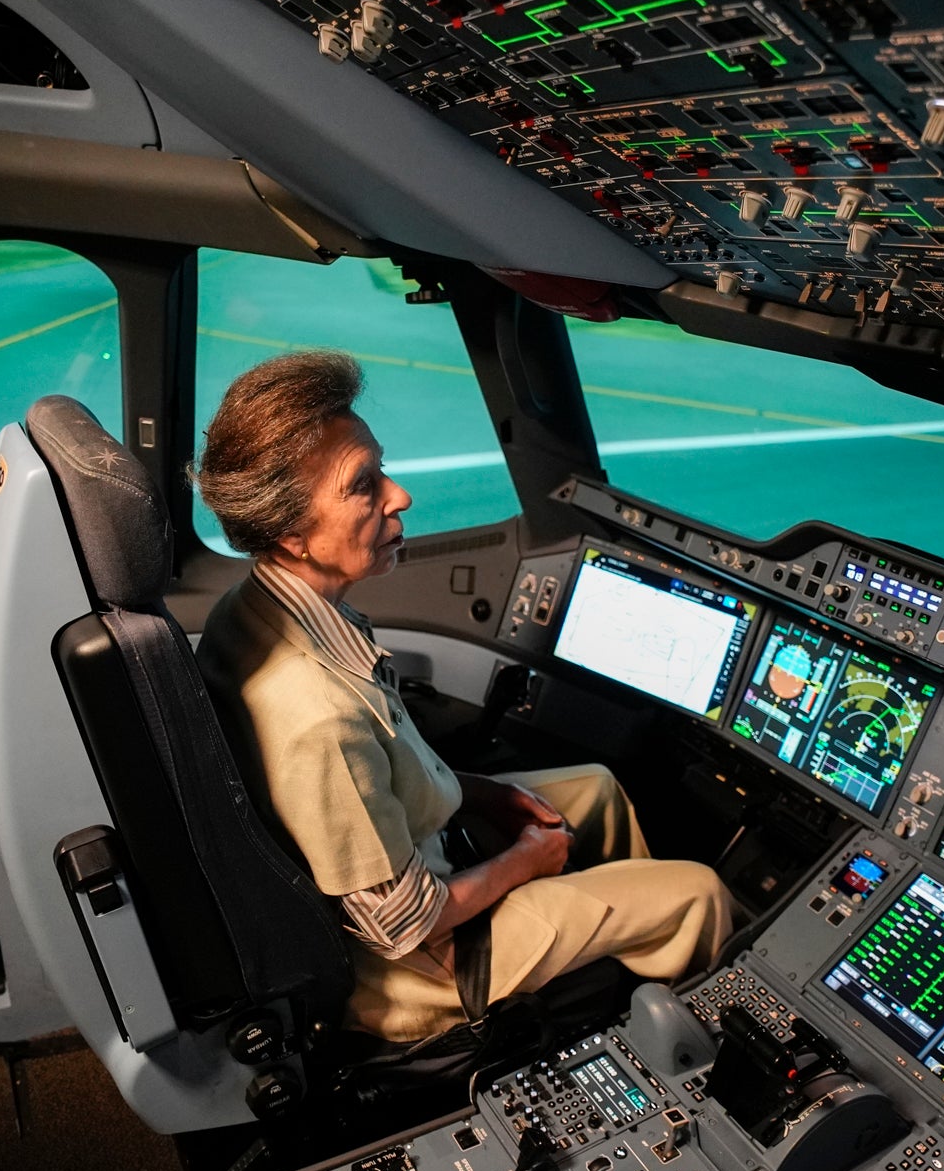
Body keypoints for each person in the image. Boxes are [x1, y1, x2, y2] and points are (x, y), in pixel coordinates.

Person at [190, 350, 734, 1043]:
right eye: (364, 486)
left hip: (423, 850)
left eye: (379, 468)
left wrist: (482, 794)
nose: (399, 496)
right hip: (425, 970)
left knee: (596, 785)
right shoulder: (314, 714)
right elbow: (402, 923)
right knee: (698, 894)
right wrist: (524, 864)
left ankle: (624, 984)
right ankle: (721, 1040)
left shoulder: (253, 608)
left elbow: (382, 774)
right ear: (291, 532)